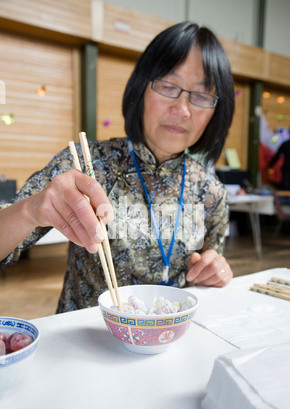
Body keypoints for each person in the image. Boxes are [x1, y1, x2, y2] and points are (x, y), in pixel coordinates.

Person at [0, 22, 235, 313]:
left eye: (201, 95)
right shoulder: (88, 165)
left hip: (166, 343)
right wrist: (29, 209)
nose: (183, 109)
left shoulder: (210, 191)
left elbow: (208, 274)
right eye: (168, 86)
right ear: (141, 88)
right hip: (86, 343)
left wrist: (216, 271)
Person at [269, 123, 290, 190]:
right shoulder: (286, 144)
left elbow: (276, 156)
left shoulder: (286, 144)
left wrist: (269, 165)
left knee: (286, 192)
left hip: (287, 172)